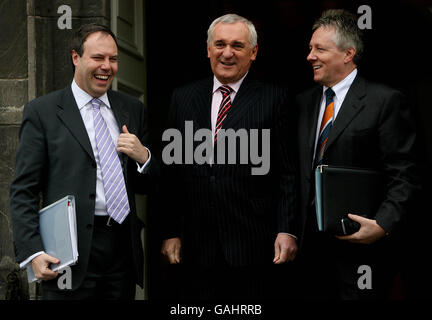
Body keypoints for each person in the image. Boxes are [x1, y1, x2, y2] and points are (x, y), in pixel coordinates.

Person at [10, 23, 156, 300]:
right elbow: (23, 191)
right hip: (67, 254)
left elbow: (149, 184)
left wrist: (143, 157)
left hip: (121, 250)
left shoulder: (132, 108)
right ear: (76, 57)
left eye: (113, 59)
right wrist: (33, 252)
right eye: (98, 58)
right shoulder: (42, 112)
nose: (107, 66)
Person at [160, 13, 297, 300]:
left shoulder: (275, 98)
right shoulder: (182, 98)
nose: (227, 53)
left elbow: (287, 172)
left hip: (255, 244)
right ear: (208, 49)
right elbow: (172, 173)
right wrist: (171, 231)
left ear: (254, 52)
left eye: (237, 45)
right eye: (220, 44)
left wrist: (287, 230)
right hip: (197, 247)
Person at [295, 9, 418, 299]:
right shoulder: (302, 103)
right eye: (310, 48)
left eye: (319, 49)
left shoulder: (384, 101)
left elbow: (406, 174)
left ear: (348, 53)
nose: (310, 56)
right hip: (308, 252)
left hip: (361, 252)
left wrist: (382, 225)